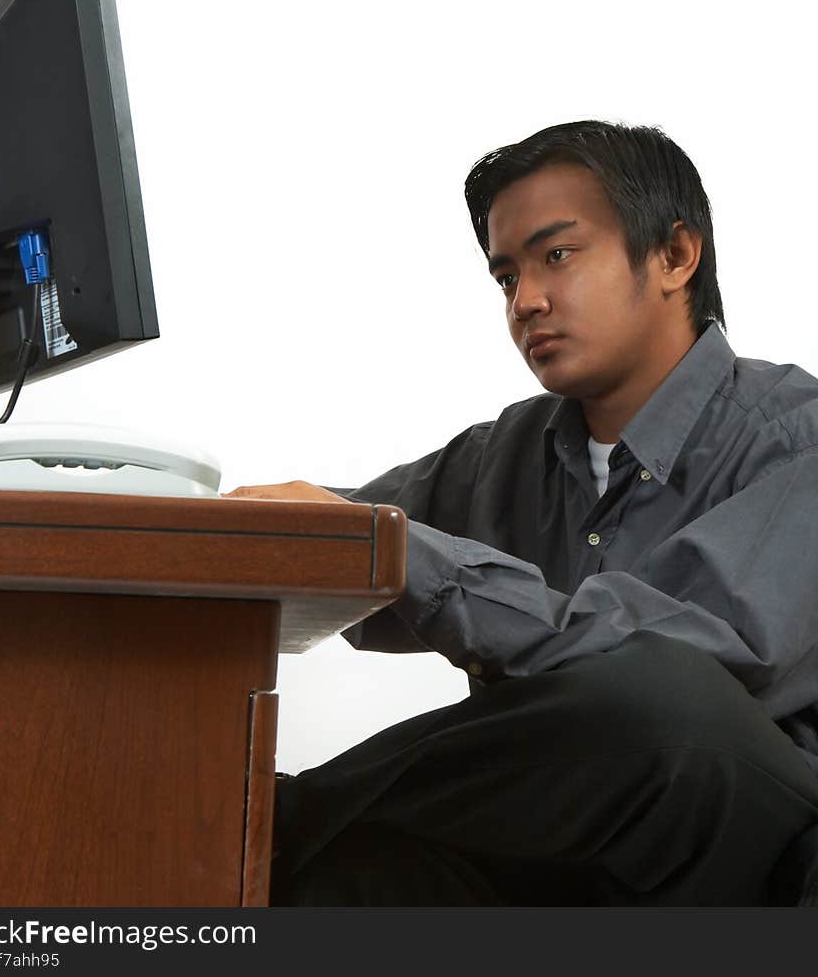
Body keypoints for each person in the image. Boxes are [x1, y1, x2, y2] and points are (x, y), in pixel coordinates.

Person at [226, 120, 818, 906]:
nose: (527, 300)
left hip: (739, 847)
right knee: (357, 873)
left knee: (663, 695)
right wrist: (194, 536)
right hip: (564, 853)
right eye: (507, 277)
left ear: (675, 254)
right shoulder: (504, 453)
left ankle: (269, 818)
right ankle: (232, 842)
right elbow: (345, 544)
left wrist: (408, 557)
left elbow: (694, 650)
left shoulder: (795, 434)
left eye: (558, 256)